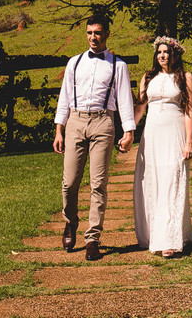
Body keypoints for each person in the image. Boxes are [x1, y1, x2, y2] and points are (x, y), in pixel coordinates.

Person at [53, 14, 136, 261]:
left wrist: (128, 131)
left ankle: (93, 238)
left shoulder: (117, 65)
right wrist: (59, 129)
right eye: (89, 33)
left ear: (107, 33)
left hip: (103, 122)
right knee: (69, 183)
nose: (93, 38)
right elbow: (64, 97)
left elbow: (124, 100)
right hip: (76, 122)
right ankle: (70, 222)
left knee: (98, 184)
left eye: (98, 33)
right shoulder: (74, 62)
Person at [133, 36, 192, 257]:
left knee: (171, 181)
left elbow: (189, 111)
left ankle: (169, 238)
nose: (162, 55)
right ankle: (153, 234)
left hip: (174, 134)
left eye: (166, 52)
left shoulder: (185, 78)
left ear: (174, 54)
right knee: (153, 181)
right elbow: (140, 108)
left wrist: (189, 142)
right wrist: (128, 132)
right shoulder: (148, 77)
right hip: (152, 135)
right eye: (159, 52)